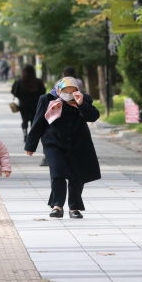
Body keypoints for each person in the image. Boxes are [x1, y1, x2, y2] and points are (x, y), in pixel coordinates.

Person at [24, 77, 101, 219]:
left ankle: (74, 207)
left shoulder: (85, 99)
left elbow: (92, 117)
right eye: (66, 91)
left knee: (76, 175)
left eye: (73, 91)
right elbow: (38, 122)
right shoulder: (46, 99)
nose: (69, 94)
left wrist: (81, 104)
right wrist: (31, 145)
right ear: (59, 90)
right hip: (53, 143)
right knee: (57, 172)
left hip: (78, 143)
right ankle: (57, 206)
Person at [11, 65, 46, 143]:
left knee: (24, 119)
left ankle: (25, 134)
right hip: (36, 104)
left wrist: (21, 96)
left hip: (23, 104)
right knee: (34, 120)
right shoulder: (38, 81)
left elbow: (13, 91)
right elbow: (43, 92)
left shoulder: (19, 81)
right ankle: (32, 135)